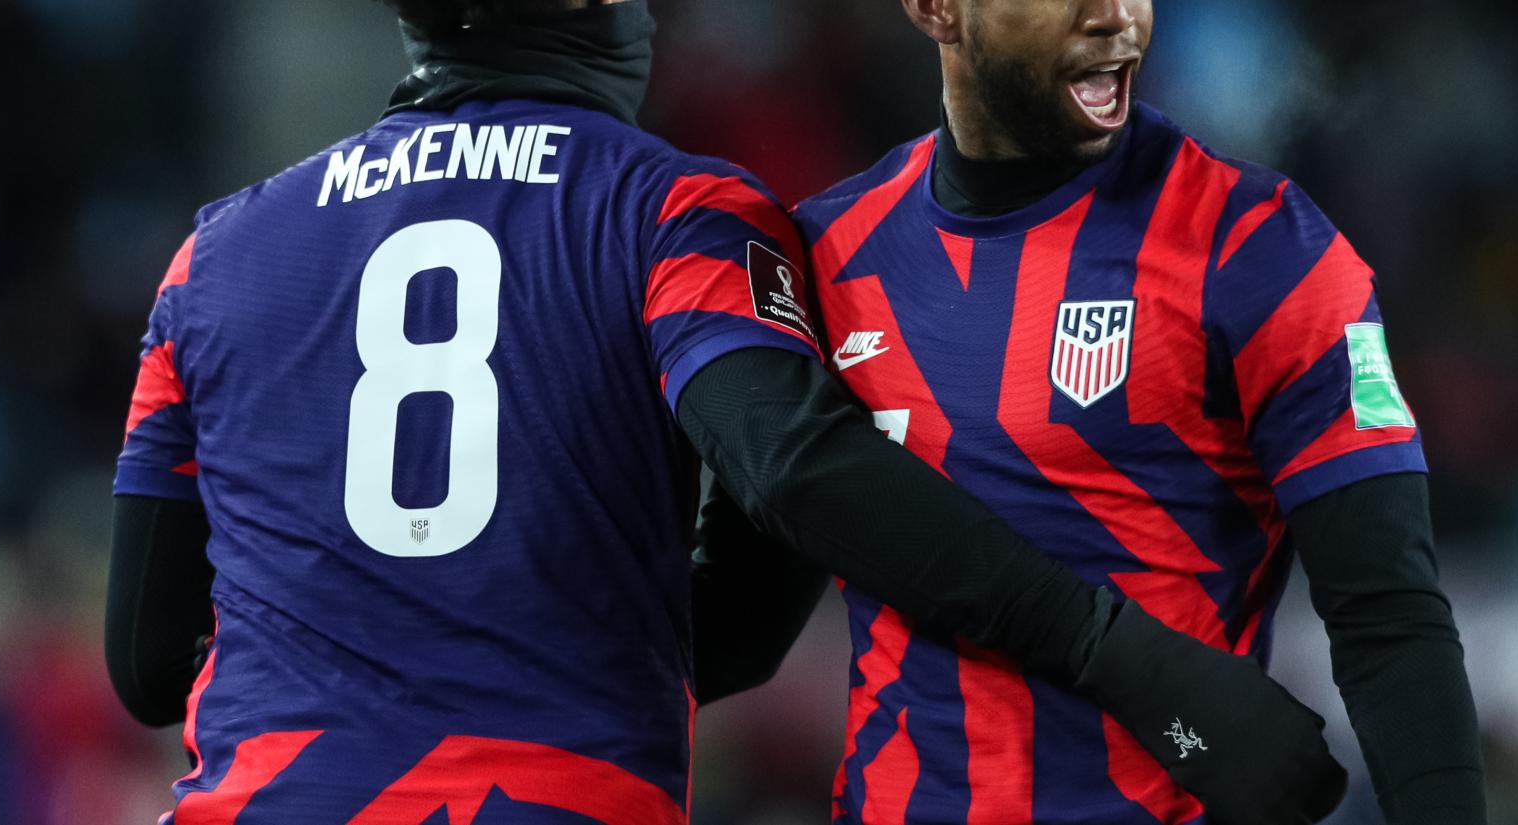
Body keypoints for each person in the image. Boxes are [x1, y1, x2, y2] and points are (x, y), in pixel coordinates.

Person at [103, 1, 1341, 823]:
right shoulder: (676, 213)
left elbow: (150, 666)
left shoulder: (211, 256)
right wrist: (1121, 654)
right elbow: (792, 474)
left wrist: (383, 632)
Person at [778, 0, 1488, 823]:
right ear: (936, 9)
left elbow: (1390, 621)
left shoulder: (1260, 248)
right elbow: (740, 612)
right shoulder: (826, 251)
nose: (1118, 17)